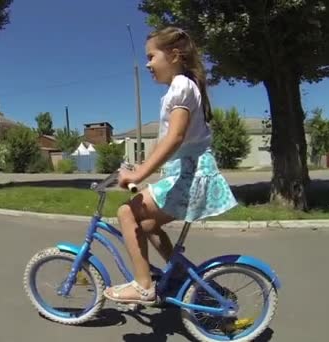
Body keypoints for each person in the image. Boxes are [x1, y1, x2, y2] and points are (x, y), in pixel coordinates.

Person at [103, 27, 238, 306]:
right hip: (188, 173)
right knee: (148, 224)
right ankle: (179, 275)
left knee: (126, 212)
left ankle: (143, 287)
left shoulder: (181, 85)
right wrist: (139, 167)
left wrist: (140, 174)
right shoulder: (180, 88)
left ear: (174, 55)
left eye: (151, 56)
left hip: (192, 175)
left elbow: (175, 137)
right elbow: (165, 140)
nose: (148, 64)